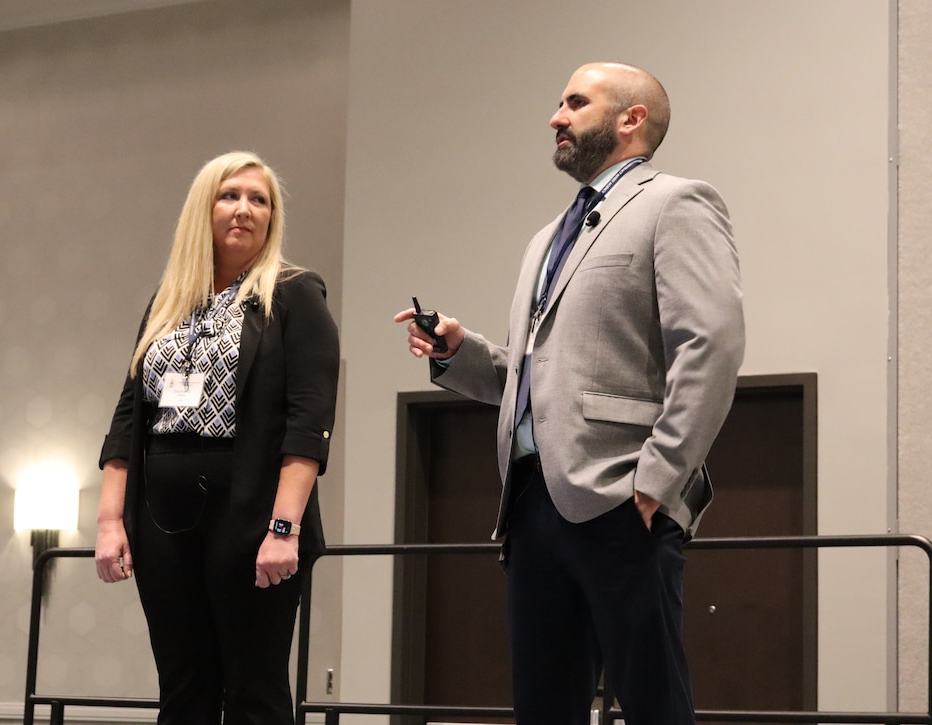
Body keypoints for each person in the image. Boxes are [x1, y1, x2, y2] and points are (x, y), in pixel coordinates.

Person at [395, 62, 744, 724]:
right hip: (529, 508)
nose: (556, 116)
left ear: (631, 119)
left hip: (623, 499)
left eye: (575, 102)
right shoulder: (546, 238)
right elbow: (533, 379)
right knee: (545, 706)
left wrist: (659, 477)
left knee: (654, 703)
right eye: (559, 103)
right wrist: (456, 352)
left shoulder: (676, 203)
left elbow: (712, 344)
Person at [94, 151, 340, 724]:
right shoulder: (167, 301)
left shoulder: (295, 293)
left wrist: (285, 528)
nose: (245, 209)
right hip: (162, 518)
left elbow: (310, 421)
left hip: (253, 516)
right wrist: (111, 521)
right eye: (230, 196)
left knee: (254, 693)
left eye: (260, 200)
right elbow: (129, 417)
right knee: (183, 689)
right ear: (203, 209)